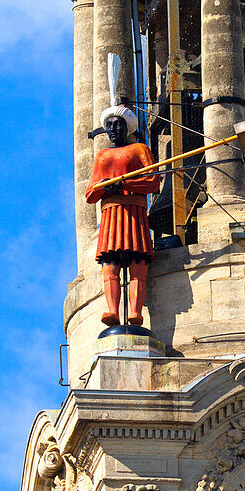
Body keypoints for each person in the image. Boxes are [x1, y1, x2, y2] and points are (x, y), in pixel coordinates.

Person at [85, 106, 160, 328]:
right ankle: (111, 311)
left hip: (134, 212)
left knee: (138, 260)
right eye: (108, 125)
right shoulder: (102, 155)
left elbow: (153, 181)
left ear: (127, 127)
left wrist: (126, 183)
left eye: (117, 124)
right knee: (109, 263)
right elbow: (89, 193)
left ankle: (135, 312)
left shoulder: (139, 149)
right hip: (111, 214)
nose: (112, 129)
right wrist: (104, 188)